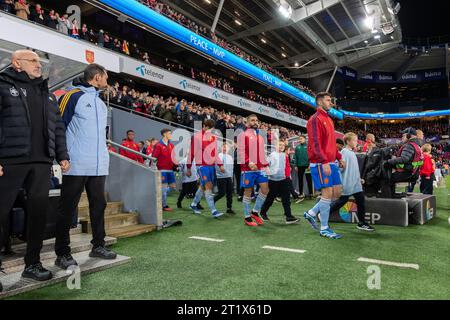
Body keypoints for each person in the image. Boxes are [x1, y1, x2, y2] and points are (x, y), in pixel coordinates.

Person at [0, 50, 70, 284]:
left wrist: (62, 155)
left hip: (42, 162)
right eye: (33, 61)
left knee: (38, 215)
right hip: (10, 160)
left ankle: (32, 263)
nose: (38, 65)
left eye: (39, 62)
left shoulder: (46, 93)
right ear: (16, 62)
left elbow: (58, 127)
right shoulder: (2, 85)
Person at [55, 64, 117, 271]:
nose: (107, 81)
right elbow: (59, 126)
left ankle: (98, 245)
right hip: (77, 163)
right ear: (97, 77)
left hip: (99, 165)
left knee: (99, 206)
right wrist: (62, 155)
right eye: (106, 77)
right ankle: (62, 253)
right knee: (67, 208)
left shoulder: (100, 102)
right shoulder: (72, 96)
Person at [303, 92, 344, 239]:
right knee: (327, 193)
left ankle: (311, 213)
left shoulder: (328, 119)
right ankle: (324, 228)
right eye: (328, 100)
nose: (331, 103)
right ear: (320, 102)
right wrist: (324, 161)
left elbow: (331, 143)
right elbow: (315, 143)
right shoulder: (315, 119)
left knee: (337, 192)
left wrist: (338, 157)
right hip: (321, 162)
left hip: (331, 161)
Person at [330, 133, 375, 232]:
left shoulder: (351, 152)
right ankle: (324, 214)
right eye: (354, 140)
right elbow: (339, 167)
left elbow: (353, 169)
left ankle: (361, 223)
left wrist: (358, 179)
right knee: (342, 201)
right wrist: (340, 167)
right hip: (347, 183)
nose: (356, 142)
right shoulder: (344, 152)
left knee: (360, 201)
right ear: (348, 141)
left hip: (355, 184)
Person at [187, 119, 225, 218]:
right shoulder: (197, 137)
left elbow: (215, 153)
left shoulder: (213, 138)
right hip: (202, 166)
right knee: (209, 187)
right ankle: (213, 211)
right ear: (205, 126)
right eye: (210, 129)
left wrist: (220, 165)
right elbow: (191, 153)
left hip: (211, 166)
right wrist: (188, 167)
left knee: (203, 187)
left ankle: (193, 204)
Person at [238, 114, 269, 227]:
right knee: (248, 192)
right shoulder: (243, 134)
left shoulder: (260, 136)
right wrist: (249, 162)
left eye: (256, 120)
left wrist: (266, 164)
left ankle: (255, 212)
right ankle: (247, 217)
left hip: (260, 168)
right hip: (248, 169)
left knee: (265, 189)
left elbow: (261, 153)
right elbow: (241, 151)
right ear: (247, 122)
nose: (255, 122)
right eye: (252, 120)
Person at [260, 141, 299, 224]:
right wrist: (269, 173)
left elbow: (286, 167)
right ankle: (262, 212)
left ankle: (288, 216)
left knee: (286, 199)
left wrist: (287, 177)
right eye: (279, 145)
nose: (281, 146)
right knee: (270, 198)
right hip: (273, 181)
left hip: (284, 180)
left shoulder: (285, 155)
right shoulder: (272, 155)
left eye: (283, 145)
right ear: (275, 146)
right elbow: (264, 165)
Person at [384, 128, 423, 197]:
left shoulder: (409, 145)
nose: (401, 137)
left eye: (403, 136)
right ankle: (392, 195)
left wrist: (388, 161)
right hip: (413, 173)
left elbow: (404, 159)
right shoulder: (417, 145)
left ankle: (389, 199)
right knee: (390, 177)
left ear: (408, 136)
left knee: (387, 179)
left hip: (407, 173)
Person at [152, 129, 176, 212]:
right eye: (170, 133)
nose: (171, 135)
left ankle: (159, 198)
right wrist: (154, 168)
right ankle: (164, 205)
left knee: (173, 187)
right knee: (164, 189)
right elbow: (153, 157)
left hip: (170, 170)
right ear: (164, 134)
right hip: (162, 170)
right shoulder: (158, 145)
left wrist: (176, 165)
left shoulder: (171, 145)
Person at [214, 143, 235, 214]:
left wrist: (231, 177)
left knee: (229, 193)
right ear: (221, 148)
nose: (225, 148)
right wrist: (220, 173)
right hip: (221, 177)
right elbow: (217, 167)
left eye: (227, 147)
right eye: (224, 147)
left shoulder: (230, 157)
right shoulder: (219, 156)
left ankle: (229, 208)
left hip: (229, 177)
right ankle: (212, 202)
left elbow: (231, 168)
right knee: (221, 193)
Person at [293, 135, 312, 200]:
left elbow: (311, 156)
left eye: (301, 138)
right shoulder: (297, 147)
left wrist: (310, 164)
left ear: (305, 139)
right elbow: (295, 157)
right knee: (300, 180)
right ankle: (301, 193)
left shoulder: (308, 146)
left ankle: (311, 194)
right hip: (299, 166)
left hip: (307, 166)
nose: (300, 140)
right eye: (299, 139)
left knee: (309, 179)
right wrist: (295, 165)